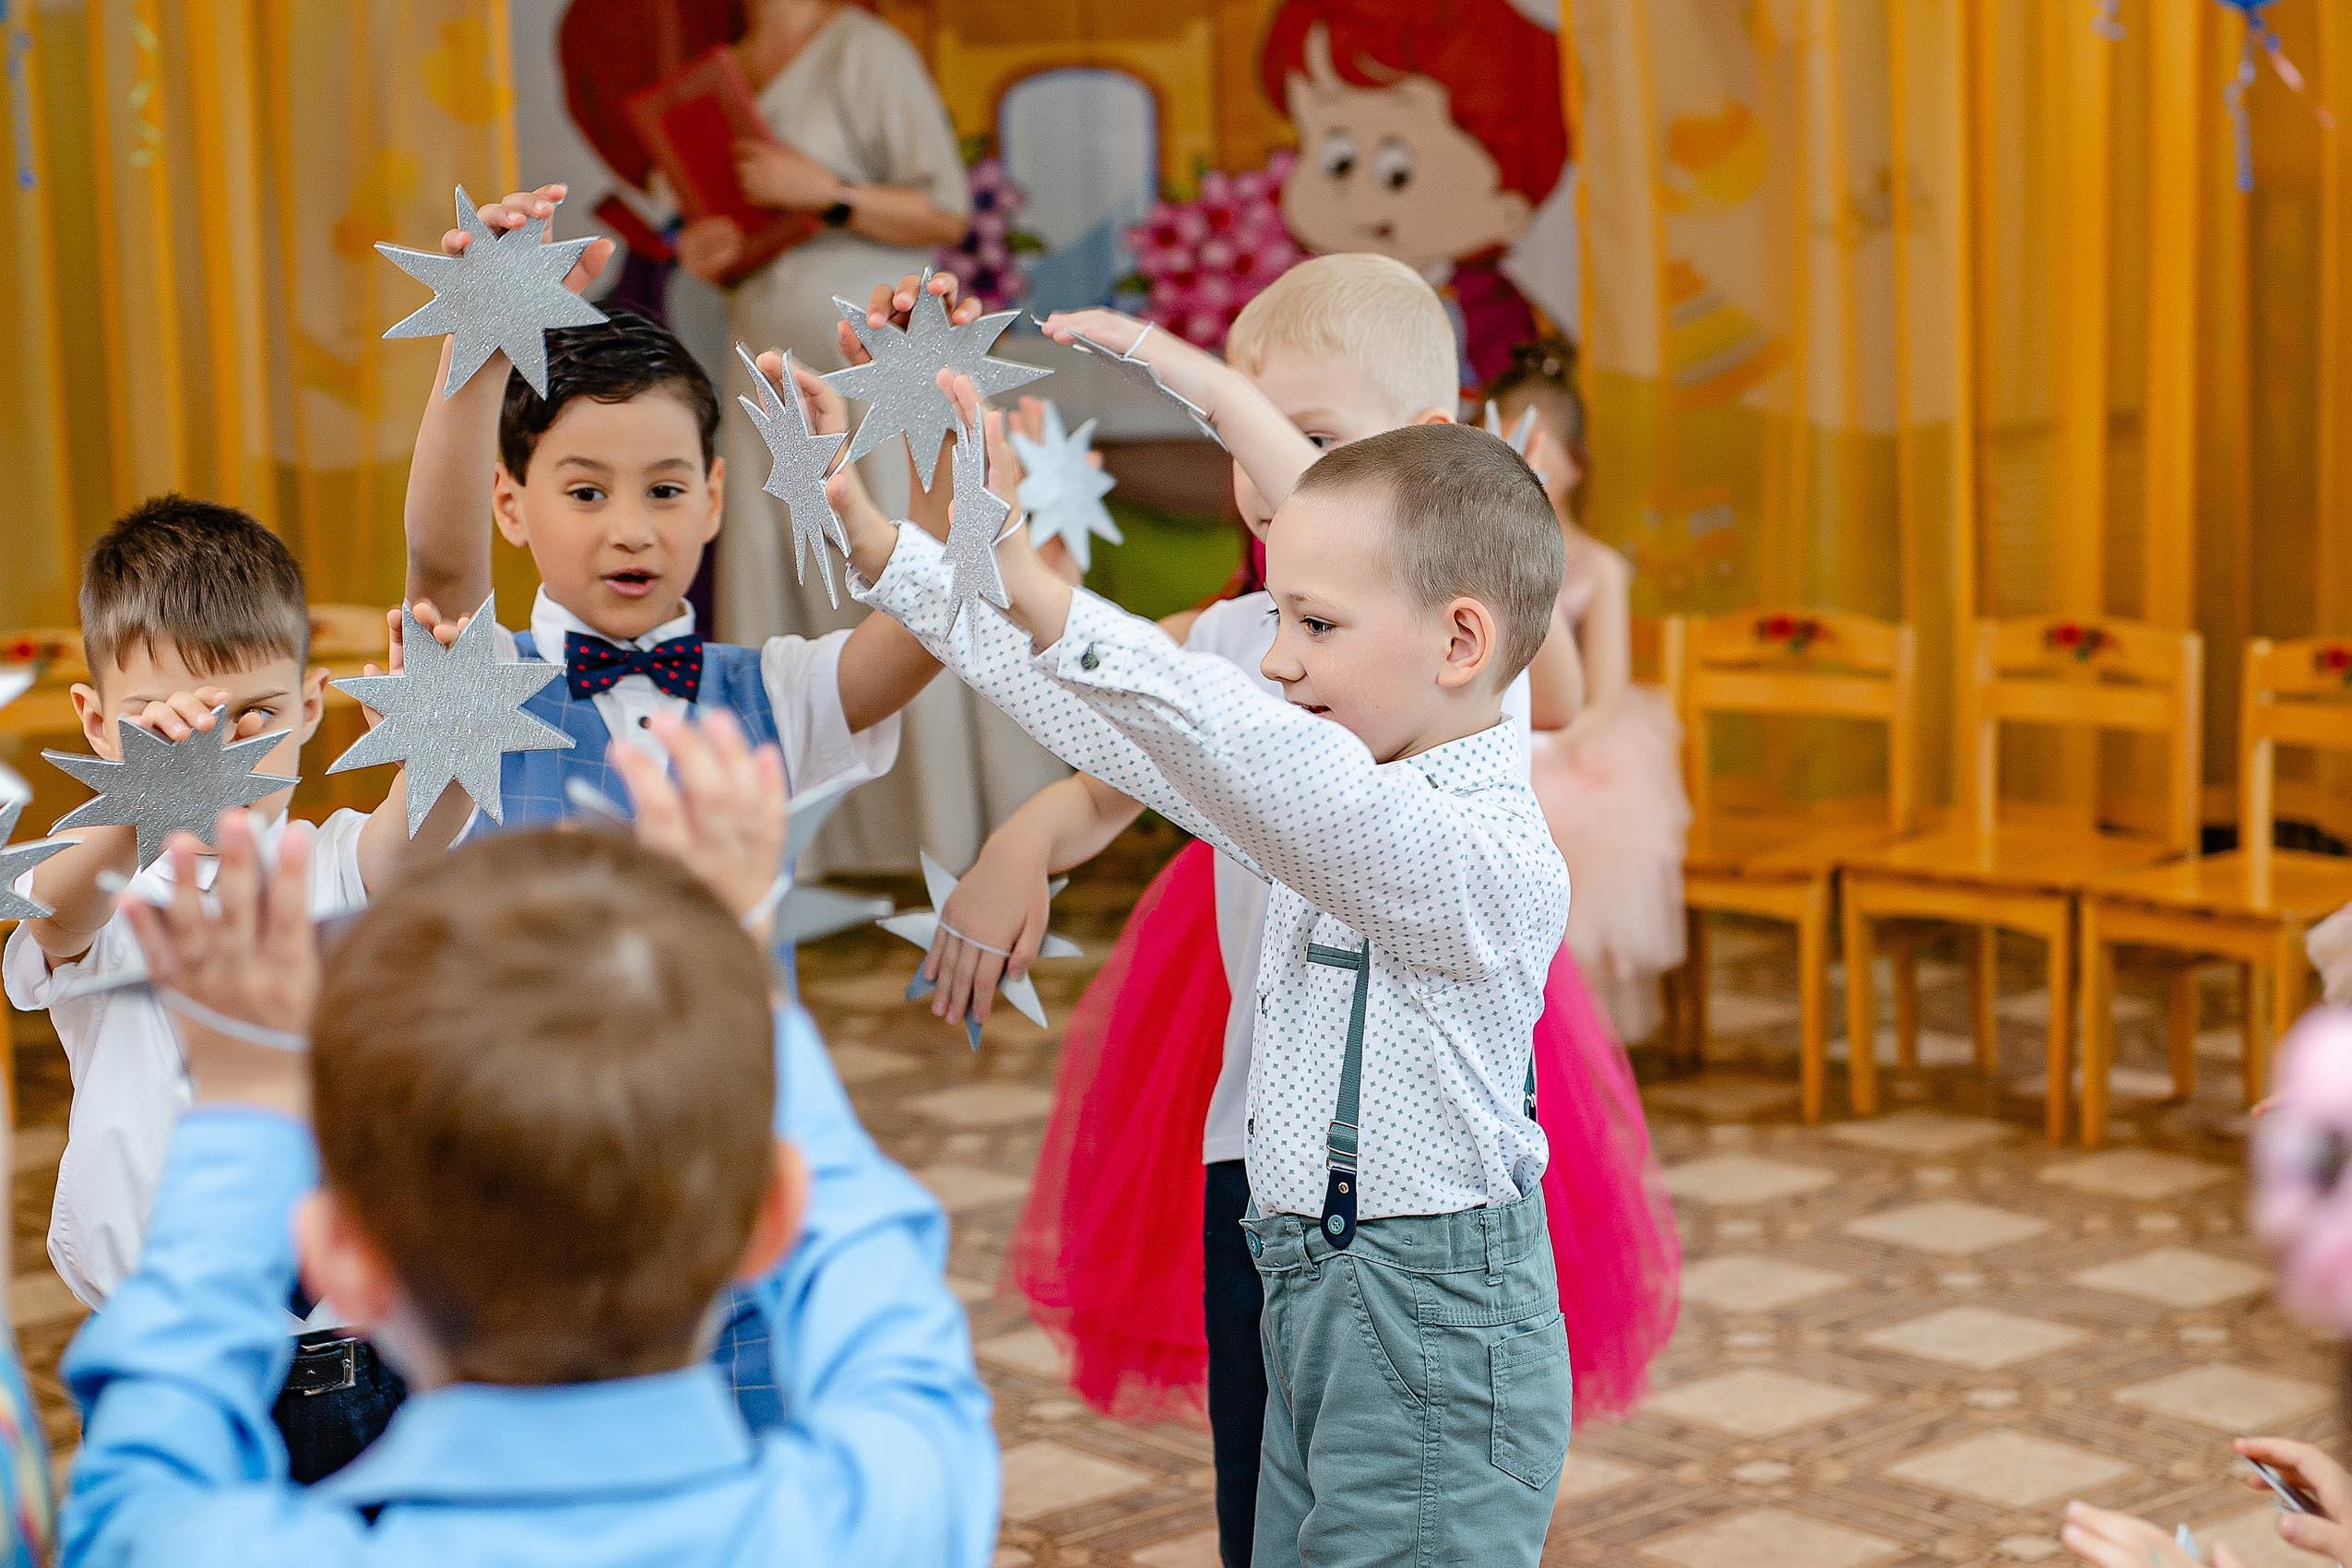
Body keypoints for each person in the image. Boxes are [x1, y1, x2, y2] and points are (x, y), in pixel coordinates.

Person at [908, 255, 1667, 1567]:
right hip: (1255, 1124)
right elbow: (1125, 737)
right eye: (1238, 442)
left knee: (1405, 1475)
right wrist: (1023, 834)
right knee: (1271, 1475)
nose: (1265, 476)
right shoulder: (1244, 635)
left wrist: (1181, 365)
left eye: (1305, 439)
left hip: (1421, 1157)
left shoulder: (1457, 640)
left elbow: (1299, 573)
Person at [60, 713, 997, 1566]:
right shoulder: (892, 1509)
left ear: (338, 1252)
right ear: (774, 1216)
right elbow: (885, 1298)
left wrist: (245, 1099)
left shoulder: (185, 1542)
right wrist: (748, 968)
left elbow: (153, 1434)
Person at [398, 184, 954, 1430]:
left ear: (714, 495)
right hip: (518, 1147)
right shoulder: (473, 690)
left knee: (738, 1435)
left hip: (719, 1152)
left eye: (662, 490)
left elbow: (923, 631)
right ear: (512, 506)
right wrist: (479, 338)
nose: (629, 529)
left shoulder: (777, 693)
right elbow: (435, 567)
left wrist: (923, 435)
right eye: (582, 491)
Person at [4, 497, 473, 1481]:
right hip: (162, 1356)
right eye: (164, 727)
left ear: (311, 706)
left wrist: (453, 723)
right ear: (96, 724)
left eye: (251, 717)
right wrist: (147, 794)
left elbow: (419, 829)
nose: (210, 759)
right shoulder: (110, 887)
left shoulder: (333, 860)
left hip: (347, 1356)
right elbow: (50, 915)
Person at [679, 0, 1056, 877]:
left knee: (901, 565)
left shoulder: (869, 50)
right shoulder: (723, 68)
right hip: (769, 366)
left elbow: (943, 213)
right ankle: (815, 846)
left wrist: (829, 194)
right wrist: (715, 247)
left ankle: (946, 832)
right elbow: (741, 226)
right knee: (791, 573)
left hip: (870, 365)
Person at [1491, 336, 1690, 1042]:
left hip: (1574, 743)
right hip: (1497, 735)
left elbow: (1604, 696)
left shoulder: (1599, 568)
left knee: (1570, 823)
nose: (1521, 462)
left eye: (1538, 446)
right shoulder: (1476, 555)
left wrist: (1546, 745)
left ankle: (1571, 1047)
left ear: (1574, 465)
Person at [1258, 0, 1570, 393]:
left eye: (1396, 173)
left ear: (1507, 206)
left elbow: (1512, 391)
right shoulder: (1317, 294)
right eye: (1337, 160)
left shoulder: (1489, 307)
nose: (1363, 202)